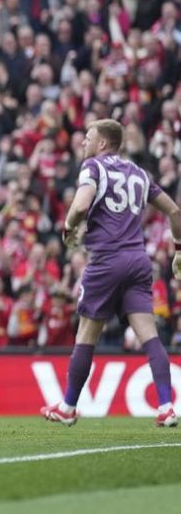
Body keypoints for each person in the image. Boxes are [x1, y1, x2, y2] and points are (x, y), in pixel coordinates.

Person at [41, 119, 181, 427]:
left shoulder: (93, 167)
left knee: (86, 334)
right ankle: (167, 405)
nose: (83, 143)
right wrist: (180, 249)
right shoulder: (140, 174)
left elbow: (79, 205)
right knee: (150, 336)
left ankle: (68, 406)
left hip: (106, 261)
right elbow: (174, 211)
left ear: (102, 143)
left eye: (88, 138)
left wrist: (69, 225)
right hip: (138, 260)